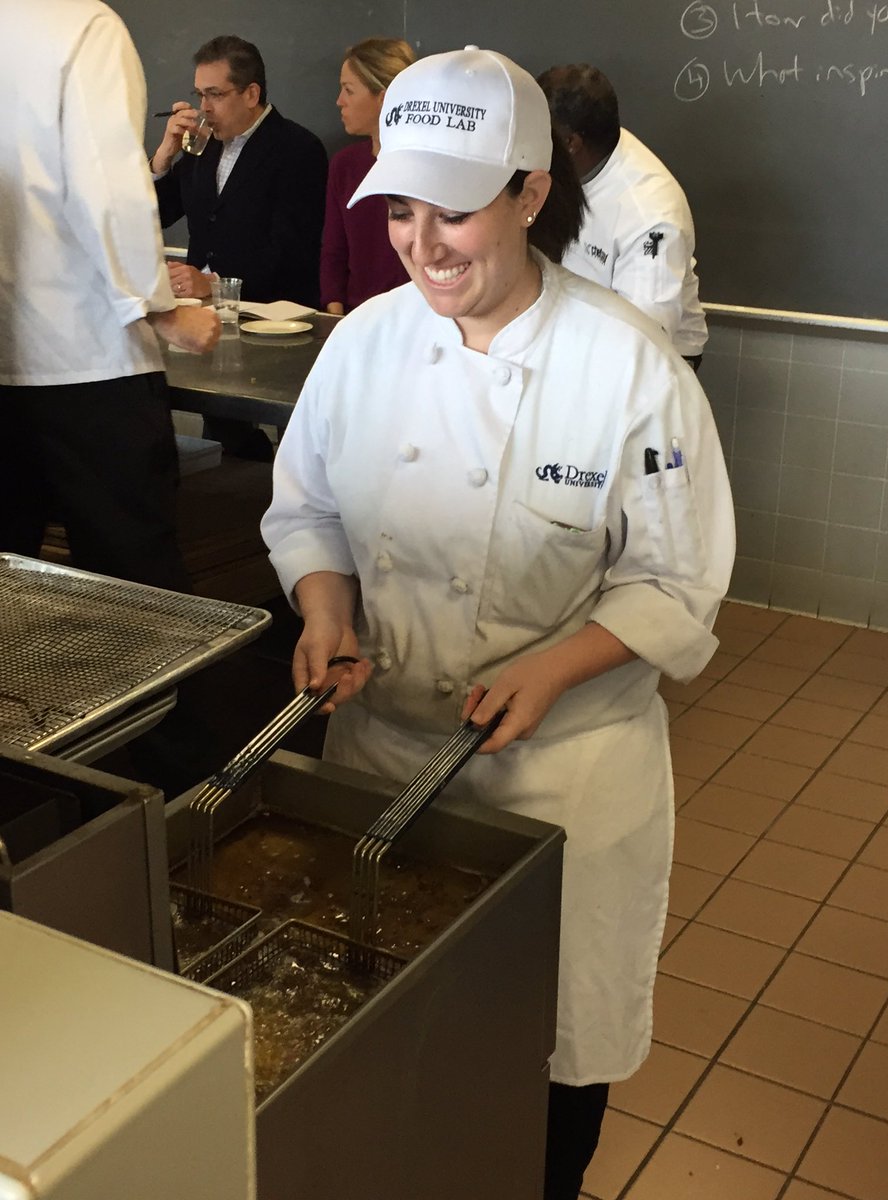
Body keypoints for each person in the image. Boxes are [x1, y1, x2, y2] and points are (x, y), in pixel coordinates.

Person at [261, 46, 734, 1200]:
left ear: (530, 193)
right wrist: (326, 610)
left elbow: (679, 583)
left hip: (562, 779)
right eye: (402, 212)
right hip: (379, 750)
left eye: (456, 213)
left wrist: (558, 667)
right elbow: (307, 505)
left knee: (547, 1068)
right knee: (389, 1038)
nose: (423, 247)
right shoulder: (366, 341)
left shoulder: (628, 366)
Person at [0, 0, 220, 593]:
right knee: (136, 587)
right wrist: (160, 307)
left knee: (10, 590)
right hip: (87, 362)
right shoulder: (83, 25)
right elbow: (107, 184)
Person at [538, 64, 708, 368]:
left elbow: (645, 338)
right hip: (580, 320)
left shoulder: (650, 216)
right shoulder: (583, 154)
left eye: (541, 133)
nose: (531, 143)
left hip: (657, 354)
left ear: (571, 143)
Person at [151, 35, 327, 307]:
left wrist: (213, 283)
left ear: (251, 94)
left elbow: (291, 252)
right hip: (201, 311)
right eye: (200, 95)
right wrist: (163, 157)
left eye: (215, 94)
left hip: (268, 316)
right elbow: (161, 213)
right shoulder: (202, 142)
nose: (204, 107)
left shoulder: (298, 148)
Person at [320, 37, 415, 315]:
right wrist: (335, 317)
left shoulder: (421, 167)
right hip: (354, 317)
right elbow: (334, 252)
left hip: (414, 318)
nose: (339, 101)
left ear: (384, 98)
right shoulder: (345, 165)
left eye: (349, 90)